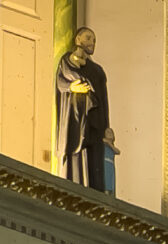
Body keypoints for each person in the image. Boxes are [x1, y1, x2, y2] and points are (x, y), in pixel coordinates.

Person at [55, 27, 115, 193]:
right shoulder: (66, 61)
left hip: (94, 120)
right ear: (77, 40)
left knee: (94, 160)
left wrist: (106, 127)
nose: (92, 43)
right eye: (88, 38)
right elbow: (61, 83)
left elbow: (103, 100)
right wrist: (72, 87)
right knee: (75, 155)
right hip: (74, 118)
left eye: (94, 40)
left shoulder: (98, 71)